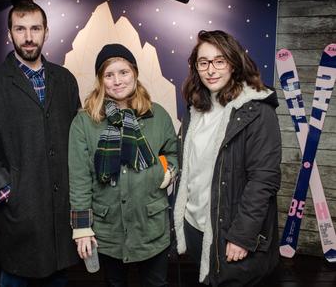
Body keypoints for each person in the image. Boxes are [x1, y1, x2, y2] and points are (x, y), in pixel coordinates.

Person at [0, 0, 80, 287]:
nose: (28, 36)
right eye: (20, 29)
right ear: (10, 33)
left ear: (46, 32)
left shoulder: (65, 80)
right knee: (16, 275)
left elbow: (78, 139)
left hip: (60, 206)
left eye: (35, 28)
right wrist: (6, 192)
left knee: (58, 275)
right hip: (21, 206)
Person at [173, 30, 282, 286]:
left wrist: (243, 236)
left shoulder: (257, 111)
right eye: (203, 62)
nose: (211, 69)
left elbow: (263, 179)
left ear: (233, 63)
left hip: (233, 231)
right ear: (196, 67)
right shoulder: (195, 109)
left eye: (219, 61)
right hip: (196, 225)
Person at [68, 43, 178, 287]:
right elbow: (79, 178)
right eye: (109, 75)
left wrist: (169, 170)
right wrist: (82, 228)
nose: (117, 81)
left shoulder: (157, 115)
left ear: (135, 74)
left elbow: (172, 152)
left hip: (152, 225)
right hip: (109, 230)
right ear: (101, 80)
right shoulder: (84, 122)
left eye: (123, 72)